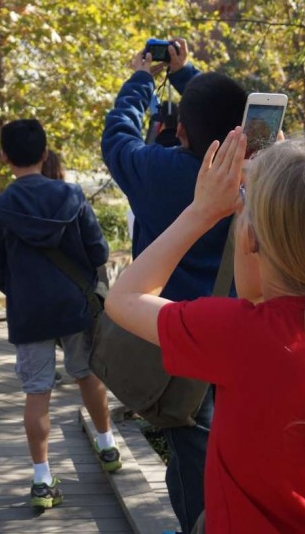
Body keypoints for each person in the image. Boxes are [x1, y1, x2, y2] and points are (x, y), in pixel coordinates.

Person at [106, 129, 305, 533]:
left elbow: (124, 298)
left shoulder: (238, 334)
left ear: (251, 238)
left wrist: (203, 211)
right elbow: (261, 296)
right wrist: (269, 188)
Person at [100, 39, 247, 533]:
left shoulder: (160, 172)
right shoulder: (263, 174)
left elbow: (119, 138)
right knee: (242, 448)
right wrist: (188, 77)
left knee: (192, 453)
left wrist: (141, 80)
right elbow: (229, 116)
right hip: (248, 337)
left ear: (180, 129)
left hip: (179, 340)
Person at [0, 119, 120, 509]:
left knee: (36, 391)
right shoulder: (72, 196)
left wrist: (24, 291)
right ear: (45, 154)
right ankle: (108, 447)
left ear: (4, 157)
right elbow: (98, 253)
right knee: (87, 374)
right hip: (74, 305)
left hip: (29, 313)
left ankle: (42, 479)